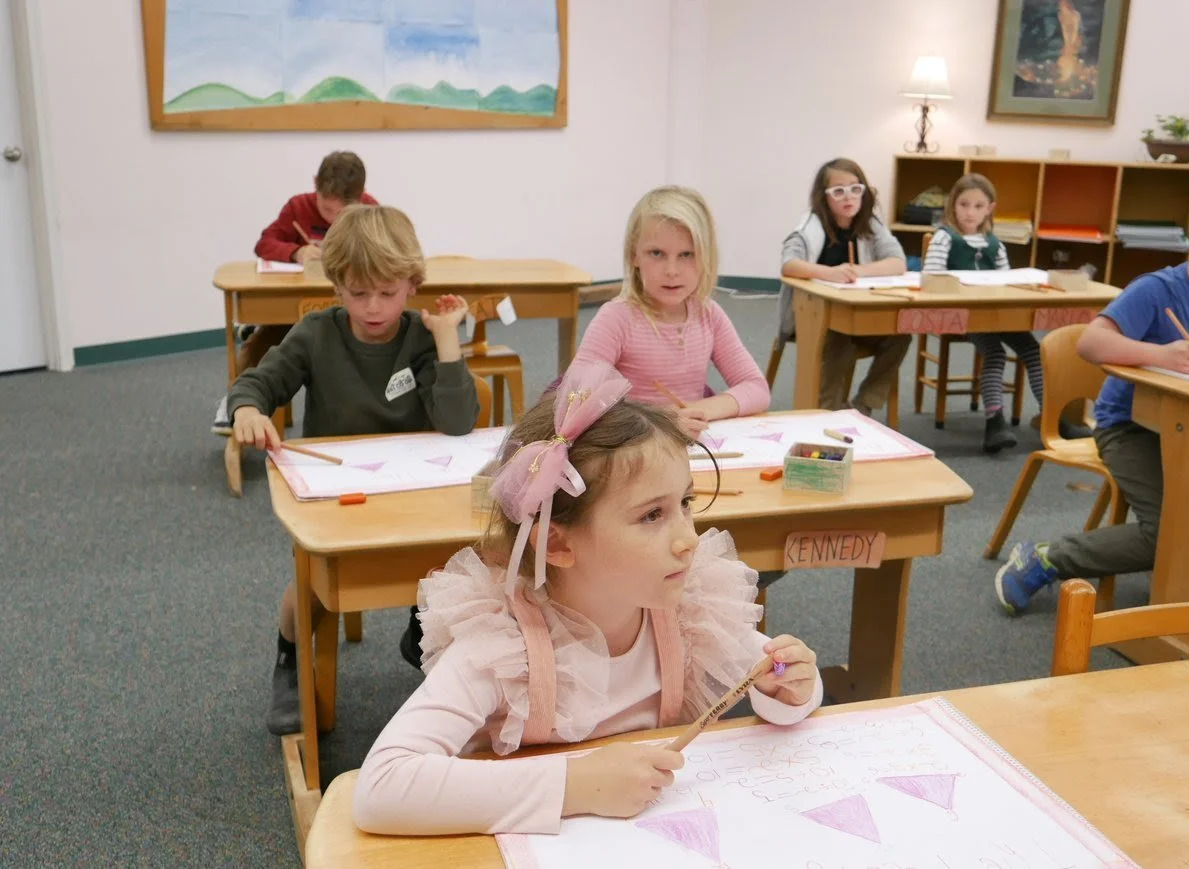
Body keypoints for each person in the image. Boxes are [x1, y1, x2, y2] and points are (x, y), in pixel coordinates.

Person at [352, 362, 822, 835]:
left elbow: (770, 680)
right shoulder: (502, 647)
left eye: (685, 503)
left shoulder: (686, 610)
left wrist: (790, 691)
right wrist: (575, 785)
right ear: (556, 544)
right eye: (651, 515)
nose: (689, 539)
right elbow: (382, 788)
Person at [225, 204, 479, 732]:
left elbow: (457, 421)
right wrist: (248, 409)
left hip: (412, 491)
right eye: (357, 292)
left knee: (456, 560)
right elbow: (258, 382)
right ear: (337, 284)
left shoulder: (420, 338)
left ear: (412, 284)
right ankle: (290, 661)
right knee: (307, 581)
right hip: (334, 492)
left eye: (387, 292)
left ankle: (422, 630)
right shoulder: (317, 333)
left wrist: (448, 338)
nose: (372, 307)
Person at [994, 182, 1189, 614]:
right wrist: (1159, 354)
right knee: (1168, 532)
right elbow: (1092, 343)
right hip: (1133, 429)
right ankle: (1049, 557)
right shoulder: (1157, 290)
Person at [569, 185, 769, 439]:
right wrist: (659, 419)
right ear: (634, 255)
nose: (672, 270)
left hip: (689, 447)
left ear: (706, 256)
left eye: (687, 254)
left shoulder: (708, 314)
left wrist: (703, 408)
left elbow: (757, 388)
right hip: (633, 448)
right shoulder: (616, 318)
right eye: (657, 253)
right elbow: (574, 401)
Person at [923, 173, 1091, 452]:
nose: (970, 212)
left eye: (978, 206)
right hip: (965, 316)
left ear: (989, 208)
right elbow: (932, 277)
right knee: (996, 353)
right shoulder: (945, 238)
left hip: (1000, 315)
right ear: (953, 205)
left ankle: (1053, 419)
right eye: (964, 204)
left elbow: (1004, 282)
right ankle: (994, 421)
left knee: (1036, 352)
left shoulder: (994, 243)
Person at [213, 151, 379, 432]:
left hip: (353, 307)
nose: (332, 220)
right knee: (265, 343)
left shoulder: (371, 211)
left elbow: (383, 254)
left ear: (360, 196)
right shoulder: (298, 207)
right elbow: (265, 243)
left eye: (341, 214)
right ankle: (239, 401)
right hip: (296, 308)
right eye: (326, 210)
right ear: (315, 184)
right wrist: (295, 251)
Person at [779, 158, 911, 416]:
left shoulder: (870, 223)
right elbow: (789, 264)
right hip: (816, 319)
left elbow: (898, 262)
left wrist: (860, 271)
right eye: (838, 191)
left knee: (901, 333)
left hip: (860, 315)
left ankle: (865, 405)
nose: (848, 197)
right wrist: (829, 273)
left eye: (855, 188)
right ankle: (830, 410)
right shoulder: (812, 225)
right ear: (824, 197)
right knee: (839, 338)